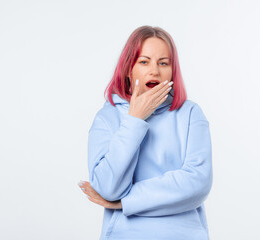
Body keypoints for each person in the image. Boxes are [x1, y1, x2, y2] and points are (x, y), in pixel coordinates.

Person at [78, 25, 213, 240]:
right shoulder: (107, 118)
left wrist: (125, 202)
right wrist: (135, 119)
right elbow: (108, 188)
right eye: (144, 61)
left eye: (163, 63)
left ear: (172, 70)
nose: (155, 71)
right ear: (128, 69)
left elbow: (197, 183)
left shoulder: (190, 114)